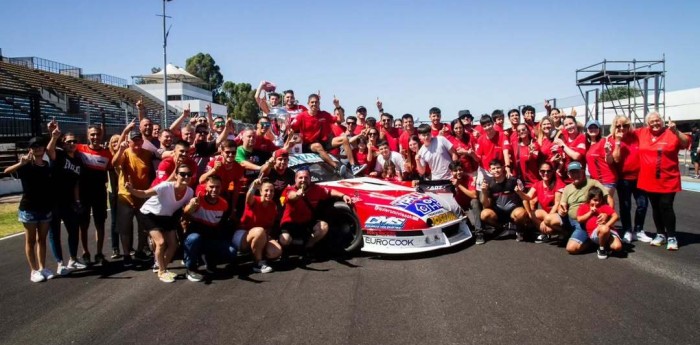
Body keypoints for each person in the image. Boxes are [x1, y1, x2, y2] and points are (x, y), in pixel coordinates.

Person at [126, 164, 194, 283]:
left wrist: (193, 204)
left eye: (189, 174)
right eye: (183, 174)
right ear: (176, 175)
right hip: (149, 214)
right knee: (161, 242)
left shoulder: (189, 192)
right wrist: (131, 190)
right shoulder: (165, 187)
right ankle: (162, 272)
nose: (186, 177)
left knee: (173, 245)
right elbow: (144, 193)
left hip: (167, 217)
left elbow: (188, 210)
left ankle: (161, 268)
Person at [5, 137, 54, 282]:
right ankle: (33, 271)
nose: (38, 148)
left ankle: (42, 268)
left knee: (42, 240)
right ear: (30, 149)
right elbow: (7, 171)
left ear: (44, 148)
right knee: (30, 241)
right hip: (29, 209)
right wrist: (20, 164)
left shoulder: (47, 165)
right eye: (34, 146)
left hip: (45, 208)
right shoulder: (26, 166)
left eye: (40, 145)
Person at [636, 112, 688, 251]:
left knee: (666, 205)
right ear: (647, 123)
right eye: (651, 121)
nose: (655, 123)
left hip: (668, 179)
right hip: (649, 180)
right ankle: (660, 234)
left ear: (662, 121)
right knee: (655, 207)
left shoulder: (671, 132)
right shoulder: (642, 132)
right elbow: (625, 131)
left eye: (657, 120)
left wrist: (676, 131)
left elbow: (686, 142)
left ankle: (671, 236)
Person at [279, 169, 353, 261]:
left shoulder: (316, 189)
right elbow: (290, 196)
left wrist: (343, 195)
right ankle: (286, 251)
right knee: (285, 240)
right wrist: (297, 195)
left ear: (310, 179)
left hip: (306, 222)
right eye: (300, 178)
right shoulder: (289, 189)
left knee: (323, 226)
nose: (303, 180)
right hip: (290, 224)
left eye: (306, 177)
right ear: (295, 179)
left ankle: (307, 249)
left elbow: (329, 192)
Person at [544, 161, 613, 254]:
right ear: (568, 174)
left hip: (585, 221)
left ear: (583, 171)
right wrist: (562, 210)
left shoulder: (593, 183)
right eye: (572, 172)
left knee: (571, 249)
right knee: (548, 219)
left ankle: (591, 241)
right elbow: (562, 204)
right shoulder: (568, 188)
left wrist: (607, 214)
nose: (575, 175)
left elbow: (608, 198)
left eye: (577, 172)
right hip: (569, 219)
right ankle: (567, 233)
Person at [290, 94, 366, 175]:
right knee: (317, 146)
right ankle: (337, 167)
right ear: (308, 103)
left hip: (324, 142)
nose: (314, 104)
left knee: (344, 138)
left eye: (316, 102)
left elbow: (341, 119)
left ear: (319, 104)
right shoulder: (302, 116)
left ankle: (353, 166)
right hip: (309, 145)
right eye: (312, 102)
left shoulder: (323, 114)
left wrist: (337, 106)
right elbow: (291, 128)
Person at [112, 124, 154, 266]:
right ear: (129, 142)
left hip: (142, 195)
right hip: (126, 195)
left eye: (138, 140)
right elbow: (115, 163)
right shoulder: (125, 152)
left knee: (143, 226)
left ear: (142, 141)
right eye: (133, 140)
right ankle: (126, 255)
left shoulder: (147, 154)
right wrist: (121, 149)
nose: (136, 143)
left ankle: (140, 251)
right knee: (125, 227)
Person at [46, 123, 84, 273]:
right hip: (54, 200)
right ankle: (60, 263)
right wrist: (53, 136)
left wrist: (77, 201)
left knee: (74, 230)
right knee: (54, 233)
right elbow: (49, 151)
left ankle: (73, 260)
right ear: (64, 143)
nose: (72, 144)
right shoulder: (59, 154)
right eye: (69, 142)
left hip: (69, 202)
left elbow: (76, 183)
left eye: (74, 141)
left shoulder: (78, 161)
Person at [182, 175, 232, 282]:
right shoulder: (199, 200)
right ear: (206, 187)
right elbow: (185, 215)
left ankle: (207, 258)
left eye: (217, 187)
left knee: (231, 252)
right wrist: (191, 206)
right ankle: (190, 268)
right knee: (194, 239)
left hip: (210, 236)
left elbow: (220, 224)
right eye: (211, 187)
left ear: (221, 188)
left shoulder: (224, 204)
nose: (214, 190)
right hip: (196, 234)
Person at [610, 115, 651, 243]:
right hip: (624, 179)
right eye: (618, 126)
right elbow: (616, 159)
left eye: (625, 125)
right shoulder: (612, 139)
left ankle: (639, 230)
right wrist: (618, 141)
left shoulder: (636, 136)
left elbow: (649, 129)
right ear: (615, 127)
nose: (622, 128)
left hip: (640, 177)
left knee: (642, 205)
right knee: (625, 206)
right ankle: (627, 230)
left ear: (629, 126)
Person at [76, 124, 113, 266]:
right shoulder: (79, 149)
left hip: (100, 194)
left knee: (100, 224)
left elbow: (113, 170)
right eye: (92, 134)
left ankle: (99, 253)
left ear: (101, 135)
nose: (95, 137)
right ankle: (85, 253)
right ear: (87, 135)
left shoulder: (107, 153)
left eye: (97, 134)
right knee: (83, 225)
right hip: (83, 194)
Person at [235, 178, 283, 273]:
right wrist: (253, 188)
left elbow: (269, 227)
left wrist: (270, 239)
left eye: (271, 191)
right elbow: (248, 197)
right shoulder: (254, 201)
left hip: (260, 235)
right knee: (260, 231)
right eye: (266, 190)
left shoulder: (273, 206)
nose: (269, 193)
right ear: (260, 191)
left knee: (276, 252)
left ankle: (255, 252)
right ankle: (257, 263)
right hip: (243, 234)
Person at [479, 160, 529, 242]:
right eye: (493, 168)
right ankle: (502, 228)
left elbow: (525, 198)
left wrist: (528, 214)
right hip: (498, 212)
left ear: (503, 168)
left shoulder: (513, 180)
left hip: (513, 210)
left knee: (521, 214)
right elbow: (486, 205)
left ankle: (519, 229)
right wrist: (484, 192)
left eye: (498, 168)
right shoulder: (489, 184)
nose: (496, 170)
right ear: (490, 171)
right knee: (484, 214)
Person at [523, 161, 565, 243]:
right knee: (532, 213)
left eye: (548, 171)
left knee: (549, 223)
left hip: (558, 215)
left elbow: (557, 203)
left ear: (552, 172)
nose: (545, 173)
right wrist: (519, 192)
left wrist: (547, 220)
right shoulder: (538, 184)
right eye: (542, 171)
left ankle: (565, 232)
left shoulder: (558, 183)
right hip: (547, 214)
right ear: (539, 172)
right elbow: (528, 197)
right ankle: (545, 233)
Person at [576, 186, 622, 259]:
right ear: (589, 199)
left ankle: (605, 244)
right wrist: (590, 212)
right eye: (595, 200)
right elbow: (579, 219)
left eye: (599, 200)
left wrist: (607, 225)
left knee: (617, 247)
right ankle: (601, 248)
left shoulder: (603, 206)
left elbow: (615, 216)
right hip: (595, 233)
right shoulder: (584, 207)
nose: (597, 202)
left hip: (607, 231)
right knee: (604, 229)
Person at [449, 161, 483, 243]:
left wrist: (459, 185)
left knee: (475, 201)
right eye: (455, 171)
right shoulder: (448, 182)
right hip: (458, 208)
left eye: (460, 170)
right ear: (451, 172)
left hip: (469, 205)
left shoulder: (469, 178)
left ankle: (479, 233)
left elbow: (474, 195)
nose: (458, 172)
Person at [584, 119, 617, 203]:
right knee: (598, 206)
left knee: (605, 204)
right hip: (594, 181)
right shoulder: (588, 145)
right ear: (587, 130)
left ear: (599, 129)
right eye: (590, 127)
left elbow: (610, 161)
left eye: (595, 127)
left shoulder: (604, 142)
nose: (593, 129)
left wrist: (608, 153)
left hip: (606, 181)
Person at [552, 116, 586, 183]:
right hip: (563, 178)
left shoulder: (581, 137)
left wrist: (563, 145)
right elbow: (555, 140)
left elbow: (576, 156)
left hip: (577, 179)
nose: (569, 126)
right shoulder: (565, 134)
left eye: (571, 123)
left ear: (576, 124)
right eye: (566, 125)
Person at [511, 123, 540, 188]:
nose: (521, 132)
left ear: (528, 131)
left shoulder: (535, 145)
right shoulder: (515, 145)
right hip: (520, 182)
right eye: (519, 131)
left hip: (534, 181)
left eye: (523, 129)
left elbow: (535, 157)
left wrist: (531, 154)